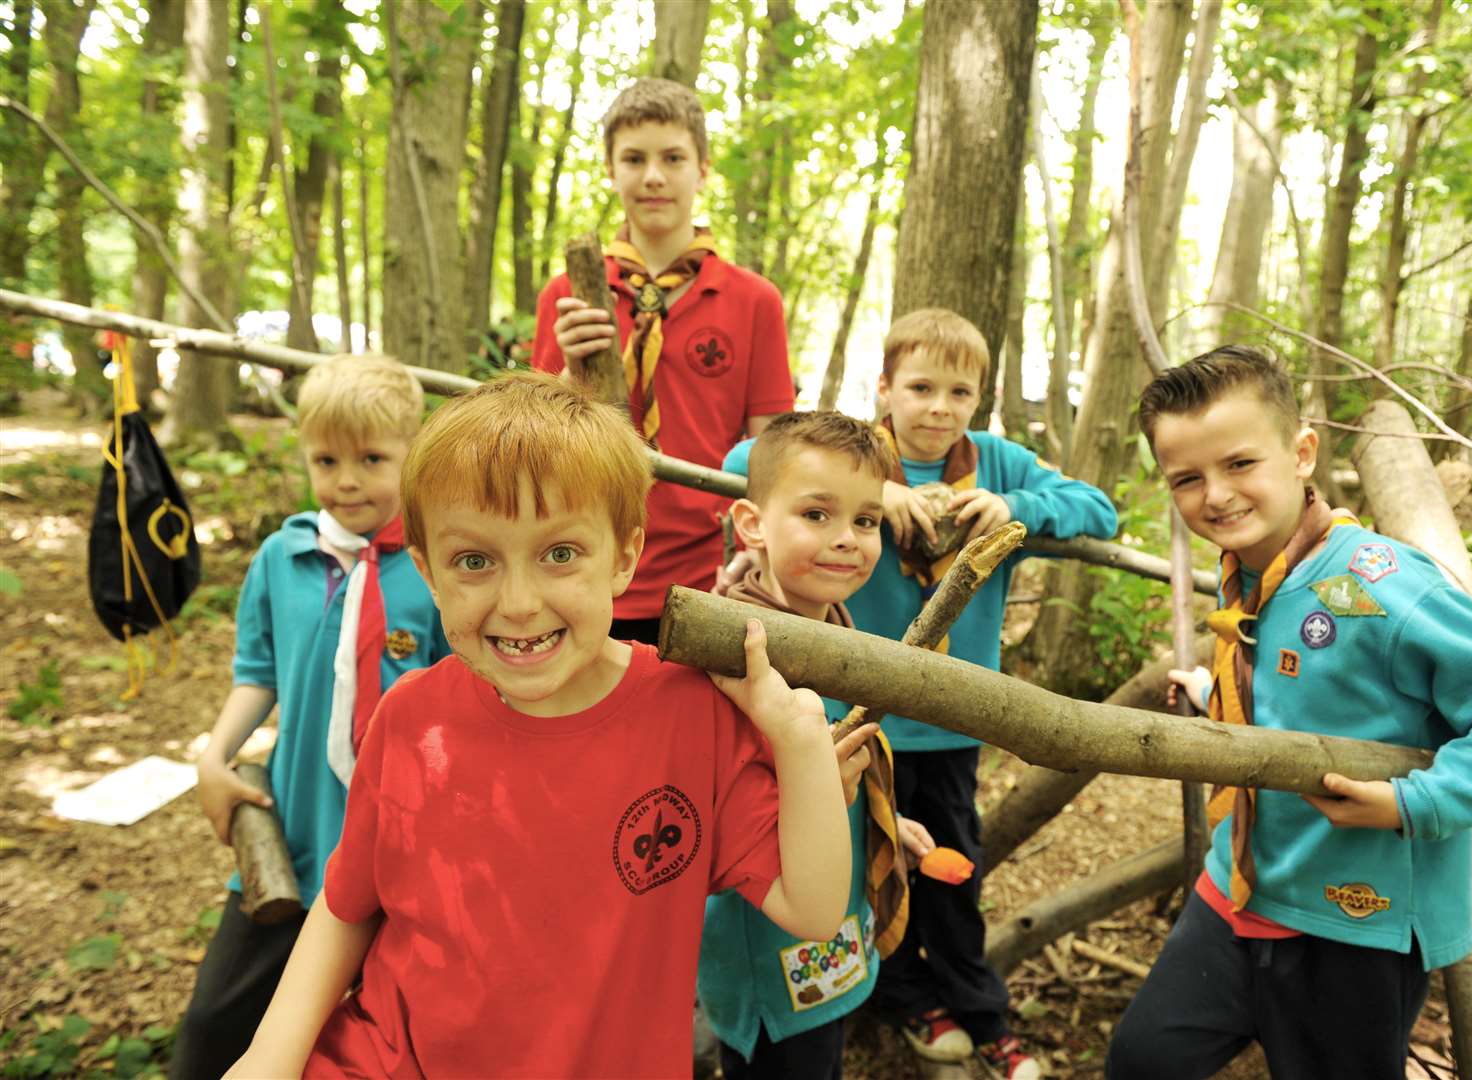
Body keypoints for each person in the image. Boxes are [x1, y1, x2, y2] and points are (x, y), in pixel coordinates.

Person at [226, 372, 851, 1079]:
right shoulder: (410, 718)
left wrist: (798, 736)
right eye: (474, 561)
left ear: (622, 556)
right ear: (430, 573)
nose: (519, 602)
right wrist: (266, 1058)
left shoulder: (690, 715)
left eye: (559, 554)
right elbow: (347, 907)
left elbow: (813, 908)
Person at [1106, 345, 1472, 1080]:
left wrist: (1411, 801)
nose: (1216, 495)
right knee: (1143, 1061)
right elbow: (1314, 694)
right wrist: (1215, 700)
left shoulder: (1376, 584)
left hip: (1352, 925)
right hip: (1234, 889)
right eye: (1186, 478)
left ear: (1301, 454)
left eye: (1238, 464)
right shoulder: (1249, 573)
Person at [724, 309, 1120, 1080]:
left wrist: (1020, 511)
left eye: (958, 392)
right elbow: (752, 455)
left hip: (950, 722)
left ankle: (981, 1012)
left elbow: (1096, 509)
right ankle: (903, 997)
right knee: (859, 863)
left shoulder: (997, 465)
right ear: (885, 389)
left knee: (952, 873)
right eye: (919, 387)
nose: (937, 407)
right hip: (862, 721)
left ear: (979, 401)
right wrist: (883, 492)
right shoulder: (861, 464)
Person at [171, 354, 449, 1080]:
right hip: (295, 839)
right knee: (212, 1026)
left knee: (359, 1037)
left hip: (402, 845)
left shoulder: (438, 564)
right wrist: (214, 756)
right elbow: (256, 673)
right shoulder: (282, 555)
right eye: (326, 459)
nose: (346, 479)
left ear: (412, 455)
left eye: (371, 458)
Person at [699, 411, 935, 1079]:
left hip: (830, 933)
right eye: (816, 515)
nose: (847, 541)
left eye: (864, 521)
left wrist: (881, 820)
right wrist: (814, 791)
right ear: (751, 525)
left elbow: (838, 769)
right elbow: (715, 809)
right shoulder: (734, 657)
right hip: (768, 957)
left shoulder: (835, 627)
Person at [533, 76, 794, 645]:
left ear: (702, 169)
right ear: (610, 168)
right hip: (580, 566)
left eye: (673, 158)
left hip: (708, 578)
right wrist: (568, 375)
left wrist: (758, 553)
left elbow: (771, 452)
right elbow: (533, 440)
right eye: (634, 158)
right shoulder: (569, 294)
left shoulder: (753, 301)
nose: (653, 176)